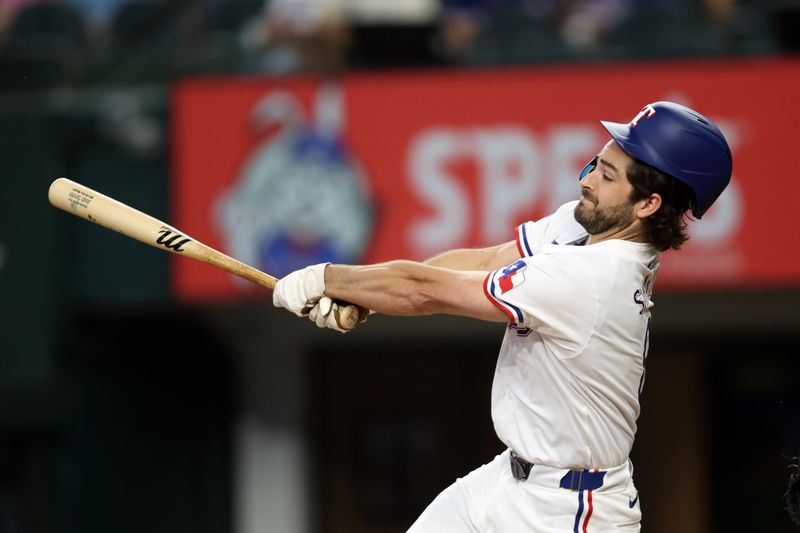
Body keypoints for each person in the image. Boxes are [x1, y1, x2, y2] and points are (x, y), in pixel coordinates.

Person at [272, 101, 732, 532]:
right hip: (505, 481)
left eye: (608, 175)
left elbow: (424, 292)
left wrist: (327, 279)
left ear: (648, 204)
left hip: (567, 510)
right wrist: (367, 296)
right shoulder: (592, 228)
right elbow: (485, 260)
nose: (587, 180)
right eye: (596, 162)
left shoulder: (595, 276)